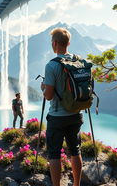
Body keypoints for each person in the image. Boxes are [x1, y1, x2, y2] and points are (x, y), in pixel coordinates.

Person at [41, 28, 83, 186]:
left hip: (57, 117)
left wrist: (43, 88)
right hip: (76, 114)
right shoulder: (78, 61)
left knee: (54, 154)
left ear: (55, 43)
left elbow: (49, 96)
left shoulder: (51, 65)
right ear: (68, 43)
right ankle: (77, 184)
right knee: (75, 150)